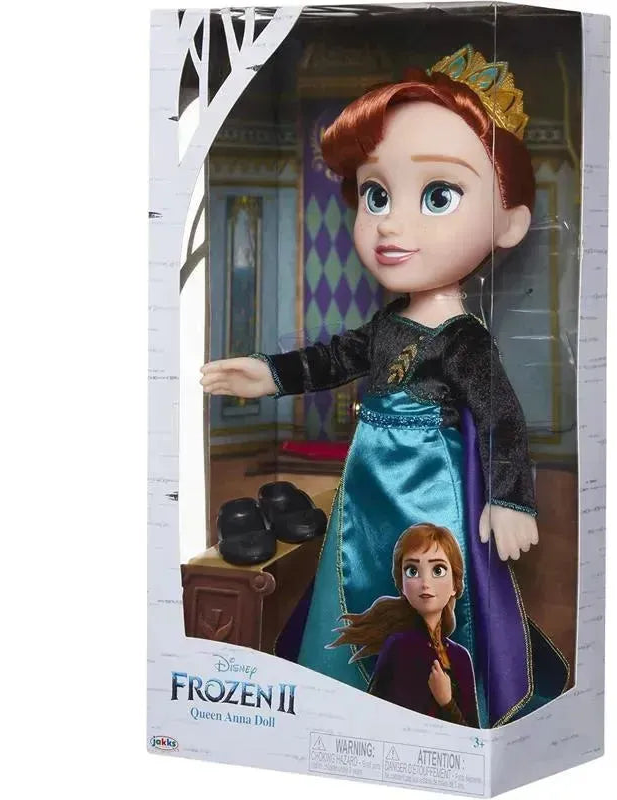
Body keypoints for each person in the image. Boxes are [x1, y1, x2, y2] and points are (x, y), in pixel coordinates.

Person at [201, 45, 568, 727]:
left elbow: (501, 417)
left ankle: (434, 696)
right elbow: (337, 357)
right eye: (376, 195)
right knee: (356, 569)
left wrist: (511, 496)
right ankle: (340, 686)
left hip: (430, 486)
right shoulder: (389, 324)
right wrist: (271, 374)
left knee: (430, 576)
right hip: (369, 477)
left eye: (438, 196)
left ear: (510, 222)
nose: (392, 223)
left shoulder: (463, 338)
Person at [330, 523, 479, 727]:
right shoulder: (399, 647)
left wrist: (446, 701)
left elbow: (473, 736)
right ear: (402, 583)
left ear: (455, 584)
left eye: (438, 570)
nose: (425, 583)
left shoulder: (460, 657)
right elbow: (380, 721)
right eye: (412, 570)